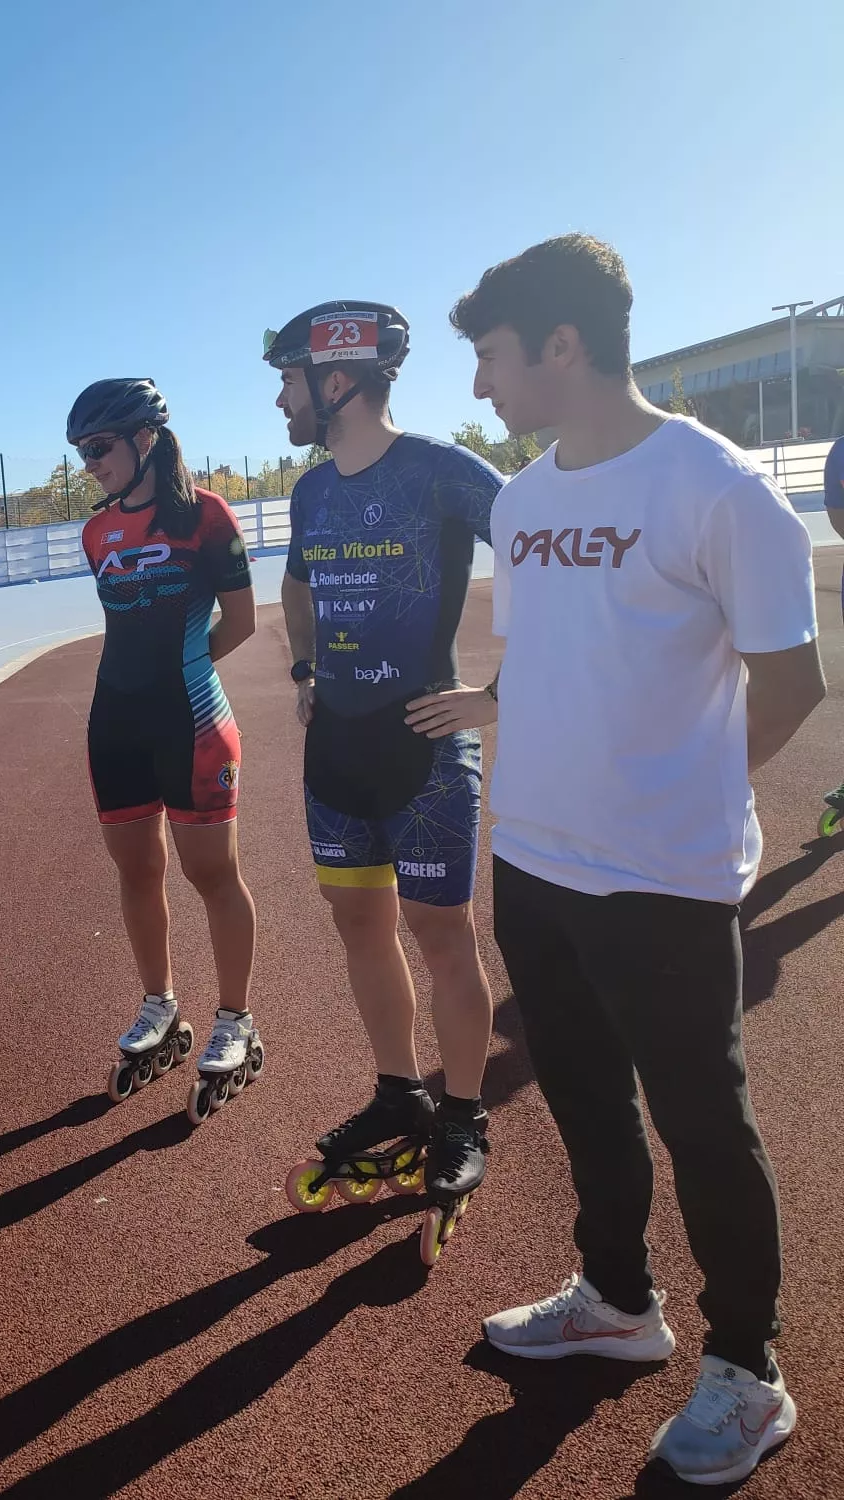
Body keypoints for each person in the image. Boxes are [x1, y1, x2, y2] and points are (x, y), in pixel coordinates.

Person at [453, 234, 823, 1485]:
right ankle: (615, 1300)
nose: (479, 386)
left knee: (699, 1121)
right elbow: (550, 660)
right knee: (582, 1100)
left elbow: (790, 681)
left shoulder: (716, 490)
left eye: (490, 357)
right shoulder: (519, 500)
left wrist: (685, 796)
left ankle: (746, 1368)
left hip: (664, 876)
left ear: (563, 345)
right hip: (535, 859)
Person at [264, 304, 503, 1242]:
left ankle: (464, 1114)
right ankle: (399, 1094)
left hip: (427, 745)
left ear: (339, 382)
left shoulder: (442, 472)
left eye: (288, 380)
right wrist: (304, 667)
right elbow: (295, 586)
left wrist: (500, 693)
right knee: (359, 925)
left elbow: (549, 550)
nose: (281, 398)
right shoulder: (312, 491)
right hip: (338, 751)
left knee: (442, 936)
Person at [67, 378, 263, 1119]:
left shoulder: (206, 515)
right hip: (112, 725)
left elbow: (240, 624)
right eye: (82, 452)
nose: (90, 463)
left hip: (191, 719)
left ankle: (236, 1018)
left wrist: (181, 673)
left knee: (212, 874)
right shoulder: (97, 532)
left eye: (99, 448)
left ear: (144, 439)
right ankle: (159, 1005)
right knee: (137, 872)